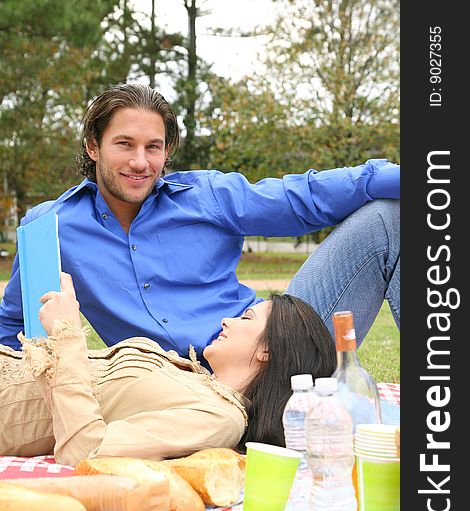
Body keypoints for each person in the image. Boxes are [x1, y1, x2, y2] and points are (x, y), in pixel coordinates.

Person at [0, 83, 400, 362]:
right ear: (93, 145)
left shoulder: (206, 196)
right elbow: (14, 329)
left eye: (153, 147)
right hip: (173, 390)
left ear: (167, 150)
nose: (141, 162)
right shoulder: (48, 227)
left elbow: (303, 197)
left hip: (275, 352)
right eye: (125, 144)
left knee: (390, 217)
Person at [0, 273, 336, 466]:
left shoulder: (222, 418)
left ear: (268, 350)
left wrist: (67, 333)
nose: (226, 320)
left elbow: (87, 452)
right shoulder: (197, 380)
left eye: (247, 317)